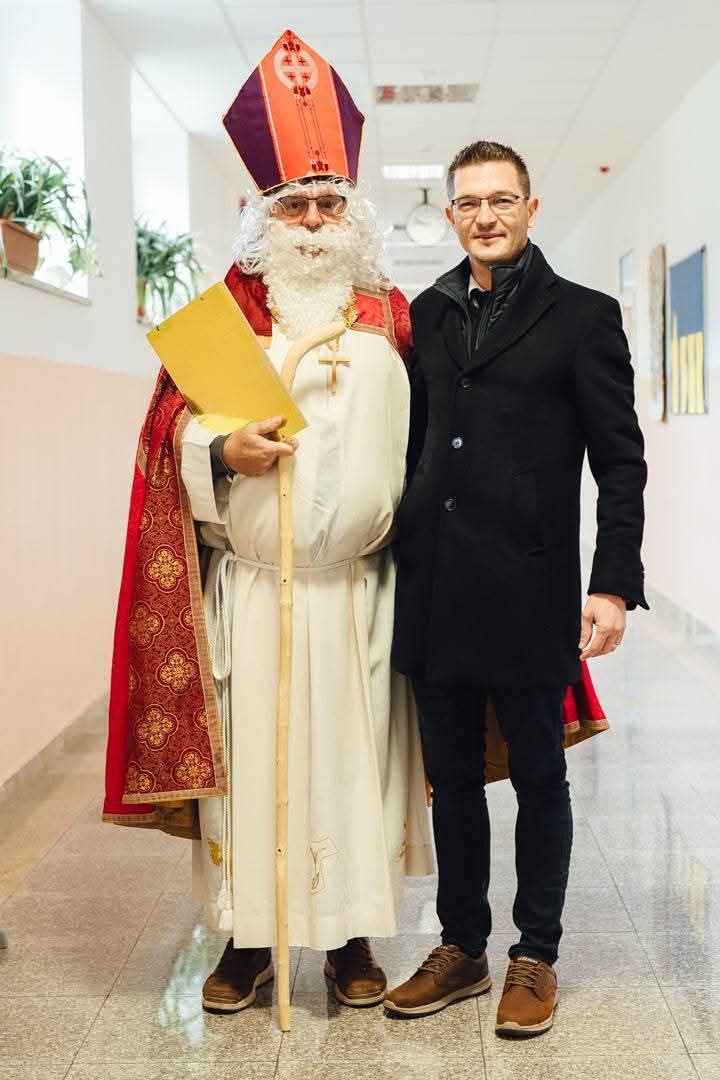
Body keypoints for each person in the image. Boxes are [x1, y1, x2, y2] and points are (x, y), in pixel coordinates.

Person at [102, 29, 433, 1015]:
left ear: (354, 215)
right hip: (251, 594)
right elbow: (163, 441)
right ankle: (247, 941)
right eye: (295, 204)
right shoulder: (226, 319)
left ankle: (351, 938)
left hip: (358, 594)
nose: (314, 221)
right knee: (250, 771)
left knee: (355, 768)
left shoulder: (394, 319)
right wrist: (220, 452)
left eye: (331, 202)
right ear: (264, 217)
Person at [385, 140, 648, 1035]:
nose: (485, 216)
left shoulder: (583, 317)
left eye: (501, 200)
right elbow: (413, 446)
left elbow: (621, 463)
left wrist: (612, 584)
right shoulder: (427, 313)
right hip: (434, 586)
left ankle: (535, 954)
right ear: (451, 216)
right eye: (469, 203)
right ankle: (462, 947)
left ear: (531, 210)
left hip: (530, 586)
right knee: (453, 782)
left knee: (540, 777)